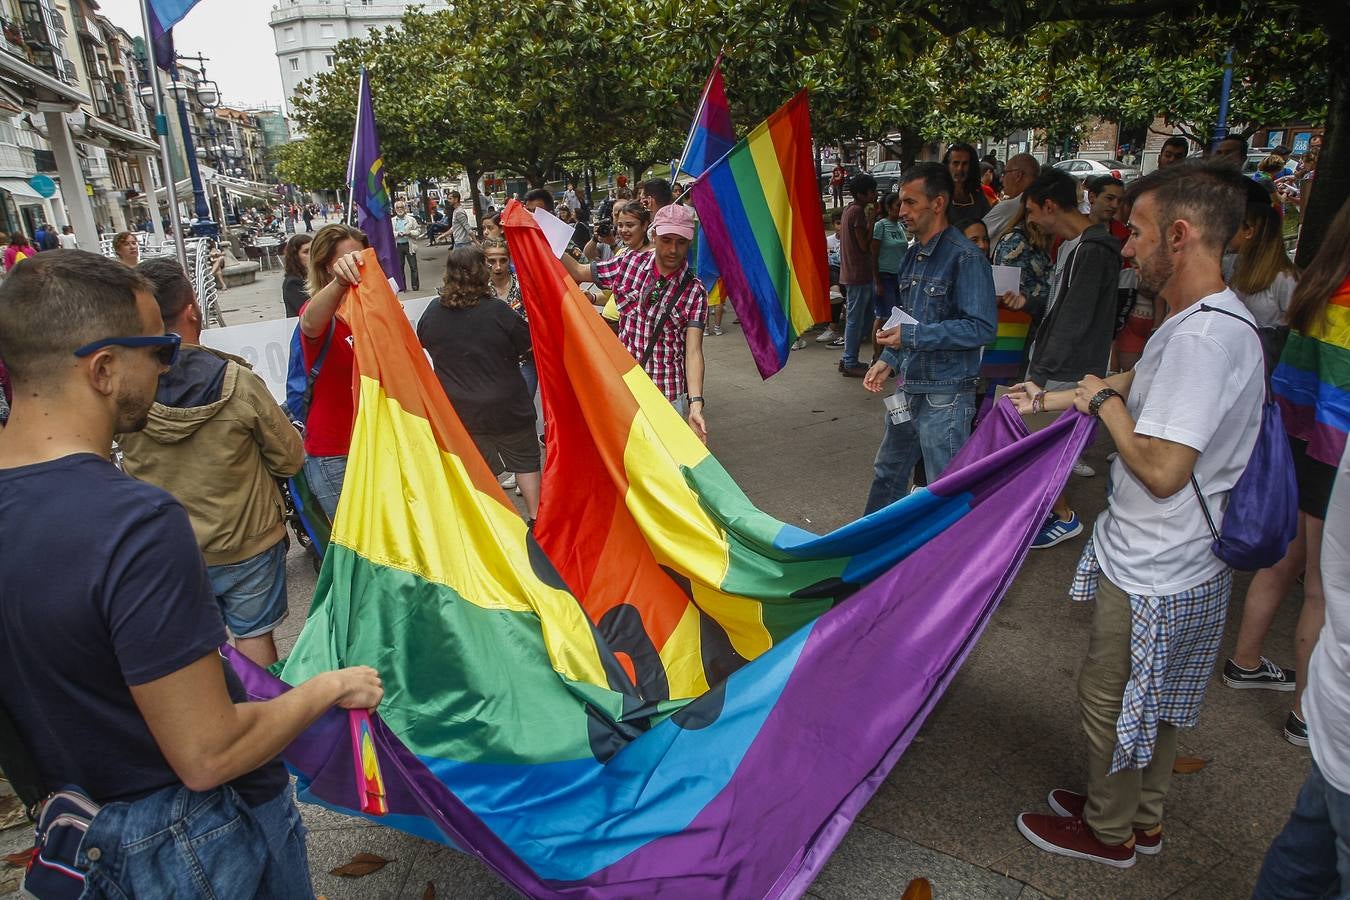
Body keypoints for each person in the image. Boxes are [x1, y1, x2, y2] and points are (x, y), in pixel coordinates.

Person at [0, 249, 383, 895]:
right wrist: (328, 687)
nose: (168, 365)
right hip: (189, 845)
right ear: (102, 368)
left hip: (81, 835)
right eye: (158, 350)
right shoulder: (134, 523)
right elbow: (210, 753)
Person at [1010, 160, 1263, 869]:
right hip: (1184, 559)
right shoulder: (1211, 319)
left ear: (1179, 236)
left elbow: (1161, 470)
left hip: (1157, 560)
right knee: (1154, 700)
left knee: (1110, 696)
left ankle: (1109, 831)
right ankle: (1140, 818)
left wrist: (1109, 409)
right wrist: (1059, 398)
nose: (1125, 244)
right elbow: (1133, 380)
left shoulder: (1200, 341)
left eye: (1140, 231)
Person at [117, 258, 303, 667]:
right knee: (255, 637)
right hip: (246, 540)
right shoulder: (237, 382)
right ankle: (262, 716)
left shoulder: (122, 387)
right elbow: (290, 458)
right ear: (192, 311)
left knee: (195, 648)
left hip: (168, 545)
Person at [1222, 196, 1350, 747]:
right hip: (1334, 457)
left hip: (1297, 444)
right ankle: (1305, 714)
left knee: (1282, 563)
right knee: (1324, 591)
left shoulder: (1318, 287)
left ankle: (1245, 660)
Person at [860, 162, 997, 513]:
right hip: (909, 387)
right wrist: (886, 360)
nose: (901, 210)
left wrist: (911, 335)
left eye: (910, 202)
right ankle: (868, 553)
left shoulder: (966, 258)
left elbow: (981, 328)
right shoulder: (912, 255)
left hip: (946, 394)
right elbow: (910, 314)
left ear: (938, 203)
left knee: (945, 488)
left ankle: (950, 563)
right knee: (887, 472)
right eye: (901, 202)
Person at [1254, 441, 1350, 895]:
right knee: (1314, 588)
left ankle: (1296, 708)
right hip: (1338, 711)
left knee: (1303, 857)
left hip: (1337, 711)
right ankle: (1299, 714)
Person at [1017, 168, 1123, 548]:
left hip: (1066, 367)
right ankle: (1050, 512)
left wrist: (1041, 377)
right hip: (1056, 361)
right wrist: (1029, 303)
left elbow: (1075, 319)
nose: (1030, 220)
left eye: (1031, 211)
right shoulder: (1071, 247)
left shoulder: (1092, 250)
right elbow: (1062, 308)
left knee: (1045, 450)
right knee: (1044, 448)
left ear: (1049, 205)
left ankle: (1061, 516)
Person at [560, 203, 708, 442]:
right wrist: (542, 239)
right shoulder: (629, 264)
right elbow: (578, 270)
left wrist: (696, 405)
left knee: (668, 469)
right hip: (624, 388)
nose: (673, 249)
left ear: (689, 243)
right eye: (666, 240)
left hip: (666, 394)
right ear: (655, 235)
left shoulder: (694, 291)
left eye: (681, 242)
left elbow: (693, 352)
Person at [419, 245, 540, 522]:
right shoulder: (498, 311)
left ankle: (492, 526)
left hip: (461, 410)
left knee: (479, 472)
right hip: (508, 406)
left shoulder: (432, 312)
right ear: (481, 271)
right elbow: (528, 344)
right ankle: (535, 519)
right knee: (525, 461)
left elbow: (422, 341)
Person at [297, 224, 370, 520]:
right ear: (327, 267)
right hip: (335, 454)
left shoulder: (369, 311)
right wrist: (340, 282)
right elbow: (309, 324)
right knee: (357, 550)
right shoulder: (319, 314)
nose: (359, 264)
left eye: (362, 256)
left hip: (374, 446)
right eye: (349, 258)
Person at [1222, 199, 1298, 327]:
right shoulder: (1232, 265)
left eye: (1231, 226)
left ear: (1249, 231)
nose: (1225, 232)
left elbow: (1296, 329)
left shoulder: (1285, 279)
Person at [838, 172, 878, 377]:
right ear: (863, 194)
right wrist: (872, 221)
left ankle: (848, 357)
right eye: (873, 191)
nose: (876, 194)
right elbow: (864, 245)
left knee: (864, 317)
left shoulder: (849, 210)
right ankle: (850, 360)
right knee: (855, 319)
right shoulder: (858, 213)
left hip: (853, 272)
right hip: (858, 273)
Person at [871, 192, 909, 361]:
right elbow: (873, 254)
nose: (900, 209)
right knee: (883, 316)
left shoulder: (901, 226)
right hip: (884, 276)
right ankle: (878, 356)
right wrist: (877, 281)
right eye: (897, 205)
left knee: (897, 316)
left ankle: (891, 357)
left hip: (899, 277)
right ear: (888, 207)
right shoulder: (881, 226)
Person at [984, 153, 1041, 242]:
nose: (1001, 179)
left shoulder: (1008, 206)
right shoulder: (1041, 203)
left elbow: (975, 235)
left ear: (1018, 175)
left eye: (1005, 173)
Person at [943, 142, 992, 231]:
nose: (960, 169)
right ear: (948, 165)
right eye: (956, 163)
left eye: (965, 164)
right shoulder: (938, 195)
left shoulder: (978, 196)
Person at [281, 232, 313, 318]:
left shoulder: (313, 275)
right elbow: (308, 312)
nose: (311, 255)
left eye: (313, 250)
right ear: (295, 256)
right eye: (306, 252)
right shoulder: (293, 283)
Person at [391, 200, 421, 291]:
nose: (400, 209)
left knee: (413, 267)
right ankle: (402, 286)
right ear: (395, 209)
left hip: (409, 245)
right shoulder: (392, 221)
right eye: (398, 207)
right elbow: (388, 233)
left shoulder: (411, 220)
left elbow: (418, 231)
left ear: (405, 208)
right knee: (400, 267)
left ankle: (415, 286)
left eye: (402, 207)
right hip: (398, 246)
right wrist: (397, 234)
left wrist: (409, 232)